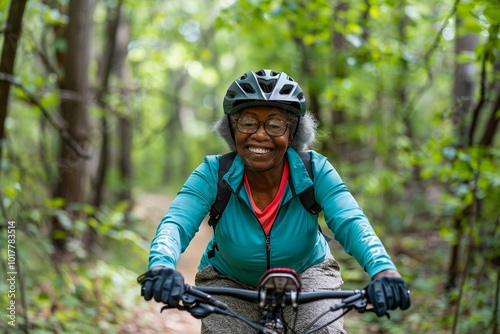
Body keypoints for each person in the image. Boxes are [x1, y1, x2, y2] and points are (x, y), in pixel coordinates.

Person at [139, 69, 411, 333]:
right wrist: (162, 266)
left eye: (275, 124)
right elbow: (176, 223)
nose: (259, 135)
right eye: (247, 122)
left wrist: (383, 270)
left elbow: (351, 221)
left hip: (307, 271)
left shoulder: (315, 171)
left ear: (292, 133)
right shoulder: (213, 173)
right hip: (230, 278)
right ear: (232, 129)